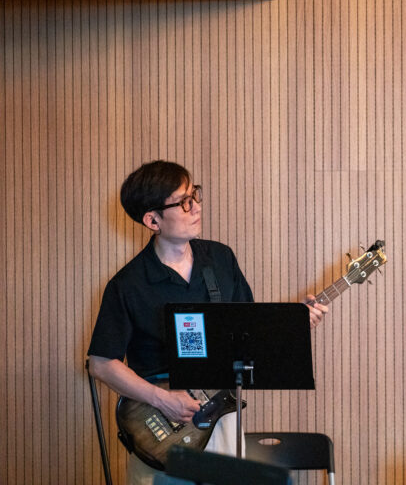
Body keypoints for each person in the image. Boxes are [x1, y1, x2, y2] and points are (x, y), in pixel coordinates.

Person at [88, 160, 328, 484]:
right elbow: (101, 364)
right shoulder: (128, 284)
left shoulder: (220, 259)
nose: (197, 207)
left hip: (221, 422)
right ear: (152, 220)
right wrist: (163, 400)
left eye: (195, 195)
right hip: (159, 434)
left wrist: (292, 322)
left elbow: (250, 333)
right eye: (184, 202)